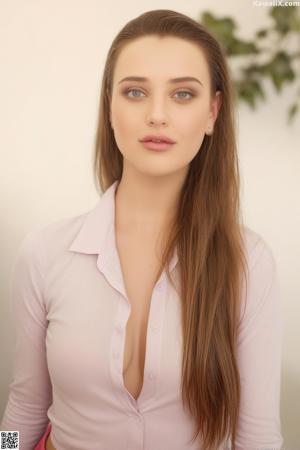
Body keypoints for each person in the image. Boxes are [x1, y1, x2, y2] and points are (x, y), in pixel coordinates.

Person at [0, 8, 283, 450]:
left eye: (182, 95)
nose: (157, 115)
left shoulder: (250, 263)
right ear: (109, 106)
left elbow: (259, 437)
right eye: (134, 92)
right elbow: (23, 408)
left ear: (213, 113)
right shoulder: (43, 253)